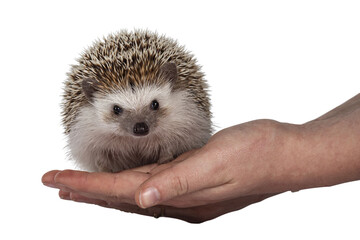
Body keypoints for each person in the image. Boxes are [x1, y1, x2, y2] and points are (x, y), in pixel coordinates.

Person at [42, 93, 360, 223]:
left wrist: (279, 159)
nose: (139, 123)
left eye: (153, 106)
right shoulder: (87, 131)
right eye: (117, 111)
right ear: (91, 104)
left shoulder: (184, 118)